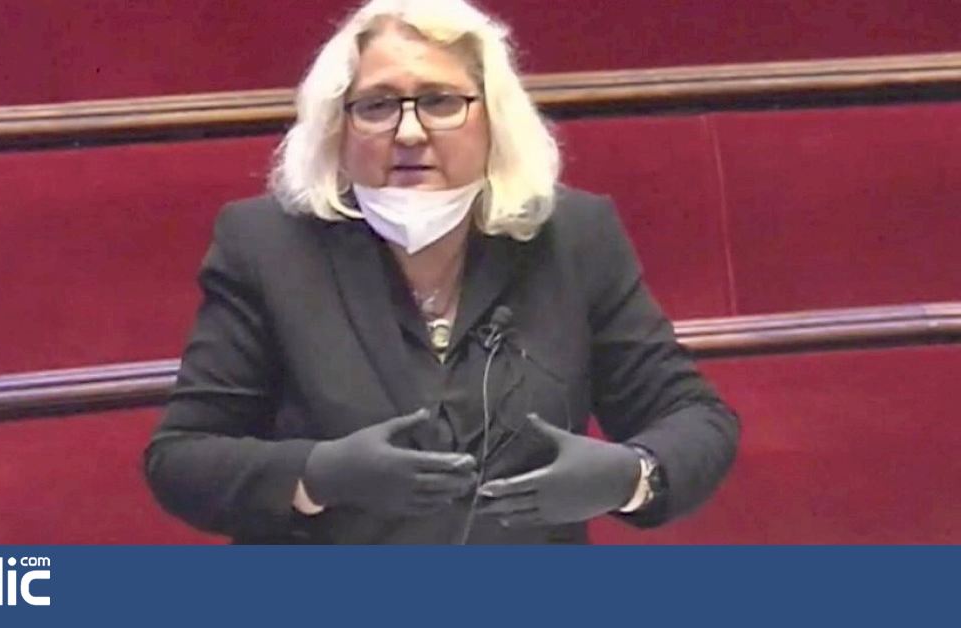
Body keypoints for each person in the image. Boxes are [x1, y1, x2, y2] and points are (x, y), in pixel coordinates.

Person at [144, 0, 739, 544]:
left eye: (441, 101)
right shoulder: (267, 246)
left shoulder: (572, 237)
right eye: (377, 106)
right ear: (338, 127)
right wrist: (315, 475)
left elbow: (695, 418)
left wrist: (631, 476)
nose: (409, 132)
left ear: (493, 118)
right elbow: (181, 457)